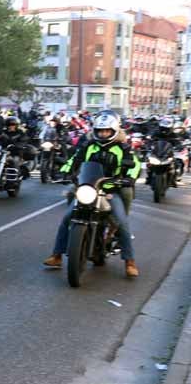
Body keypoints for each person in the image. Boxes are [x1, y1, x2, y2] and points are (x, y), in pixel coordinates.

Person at [42, 111, 141, 278]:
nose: (103, 134)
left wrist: (129, 178)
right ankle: (57, 255)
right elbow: (75, 160)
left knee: (122, 222)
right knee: (67, 218)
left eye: (107, 131)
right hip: (88, 189)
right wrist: (65, 171)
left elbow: (135, 165)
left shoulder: (122, 148)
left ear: (114, 131)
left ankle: (129, 261)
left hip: (110, 189)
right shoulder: (89, 146)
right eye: (100, 131)